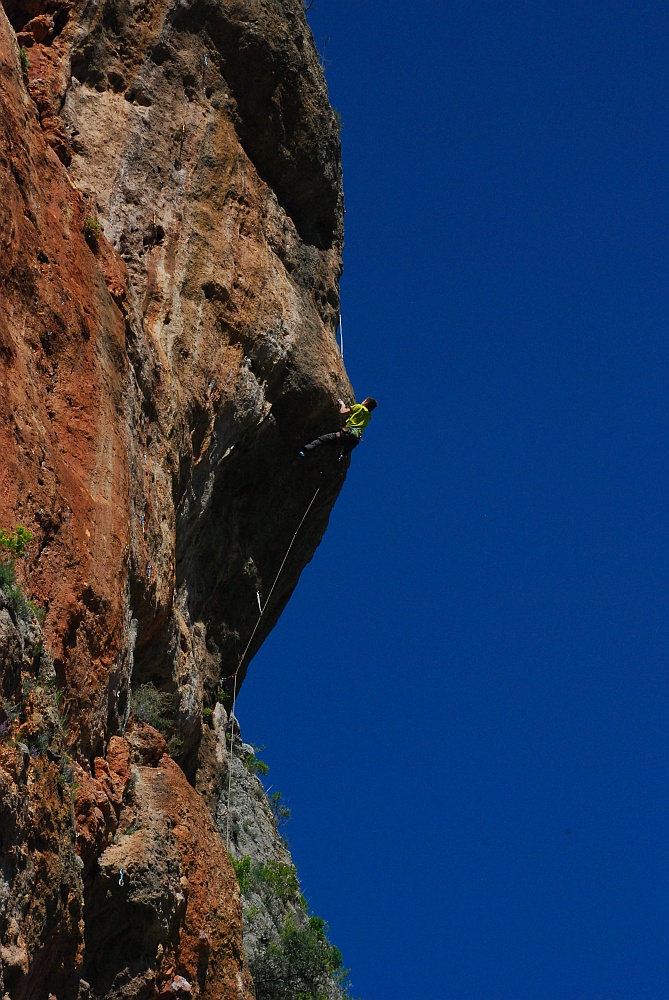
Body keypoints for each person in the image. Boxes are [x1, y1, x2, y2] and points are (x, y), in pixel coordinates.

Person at [299, 397, 378, 458]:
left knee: (321, 440)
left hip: (346, 434)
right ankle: (342, 457)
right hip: (353, 441)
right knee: (343, 454)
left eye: (364, 400)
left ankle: (305, 450)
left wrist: (342, 403)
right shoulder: (368, 417)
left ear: (366, 402)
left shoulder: (359, 407)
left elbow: (343, 411)